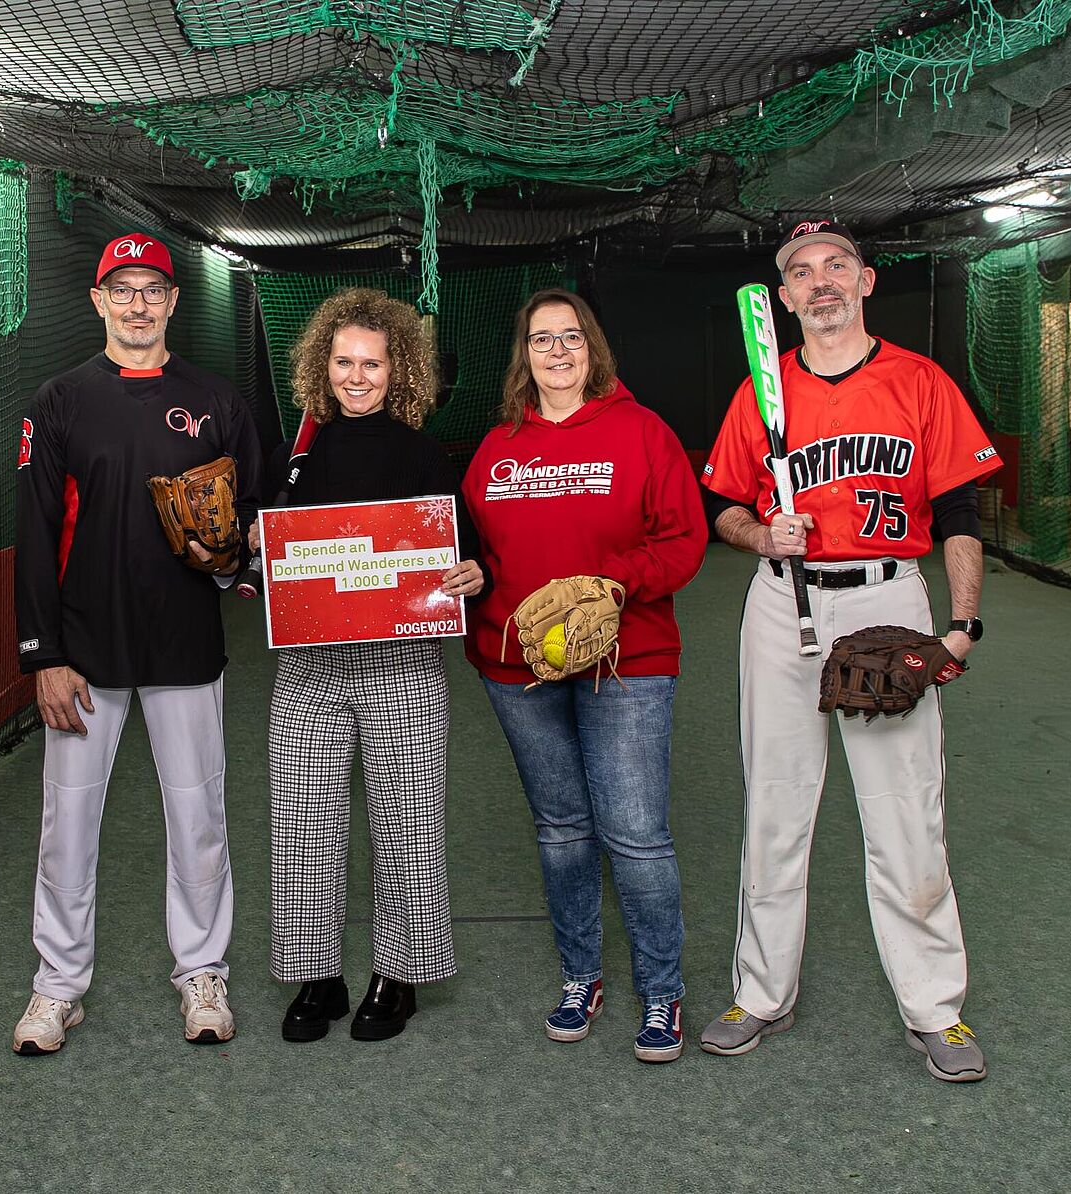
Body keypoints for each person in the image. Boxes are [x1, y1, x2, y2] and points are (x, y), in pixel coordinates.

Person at [696, 219, 1001, 1082]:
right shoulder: (763, 391)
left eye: (836, 266)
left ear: (866, 281)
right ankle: (761, 993)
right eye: (801, 272)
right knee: (775, 807)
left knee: (906, 811)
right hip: (782, 607)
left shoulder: (918, 380)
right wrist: (761, 535)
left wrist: (961, 625)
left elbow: (963, 514)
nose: (820, 281)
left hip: (887, 601)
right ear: (784, 298)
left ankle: (935, 1011)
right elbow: (720, 502)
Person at [10, 233, 262, 1054]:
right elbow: (35, 531)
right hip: (84, 651)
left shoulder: (217, 401)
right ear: (98, 301)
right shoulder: (60, 401)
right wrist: (44, 653)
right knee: (68, 823)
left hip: (185, 643)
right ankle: (57, 987)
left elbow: (252, 528)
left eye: (153, 287)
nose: (139, 302)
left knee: (199, 816)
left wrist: (234, 563)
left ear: (173, 301)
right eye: (123, 288)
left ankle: (201, 974)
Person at [461, 288, 707, 1063]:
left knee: (634, 835)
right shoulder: (497, 447)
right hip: (517, 666)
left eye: (572, 337)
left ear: (593, 348)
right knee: (563, 833)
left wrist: (616, 584)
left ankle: (662, 991)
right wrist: (464, 575)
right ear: (524, 355)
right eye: (542, 339)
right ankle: (580, 976)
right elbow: (469, 548)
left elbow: (684, 539)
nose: (558, 352)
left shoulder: (642, 433)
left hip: (625, 663)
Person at [265, 288, 487, 1042]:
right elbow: (272, 567)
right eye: (343, 362)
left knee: (409, 822)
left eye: (372, 364)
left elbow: (465, 551)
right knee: (302, 823)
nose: (356, 377)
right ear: (321, 367)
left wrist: (468, 571)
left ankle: (401, 975)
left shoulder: (424, 454)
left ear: (399, 372)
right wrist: (259, 556)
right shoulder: (295, 458)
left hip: (402, 663)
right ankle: (317, 977)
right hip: (309, 670)